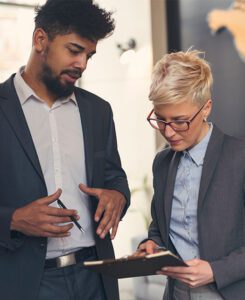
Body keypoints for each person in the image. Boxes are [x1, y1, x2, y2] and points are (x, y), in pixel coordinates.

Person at [0, 1, 130, 299]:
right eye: (74, 50)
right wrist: (14, 219)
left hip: (95, 275)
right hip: (25, 282)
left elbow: (115, 178)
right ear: (40, 40)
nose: (82, 64)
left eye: (89, 55)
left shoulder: (98, 111)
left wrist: (118, 195)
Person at [137, 49, 245, 300]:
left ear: (206, 108)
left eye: (180, 121)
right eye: (161, 120)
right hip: (176, 293)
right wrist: (152, 245)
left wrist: (215, 270)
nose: (169, 132)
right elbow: (159, 226)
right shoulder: (162, 163)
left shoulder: (239, 158)